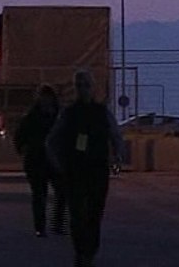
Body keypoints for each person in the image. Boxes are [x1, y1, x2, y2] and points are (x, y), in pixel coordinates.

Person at [46, 70, 123, 267]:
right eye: (79, 85)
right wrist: (59, 164)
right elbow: (52, 141)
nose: (83, 89)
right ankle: (82, 252)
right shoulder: (69, 113)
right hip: (76, 170)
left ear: (92, 87)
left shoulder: (101, 112)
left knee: (94, 214)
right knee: (78, 215)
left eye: (86, 85)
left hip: (97, 169)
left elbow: (115, 135)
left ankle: (89, 252)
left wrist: (117, 157)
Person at [15, 84, 66, 237]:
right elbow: (19, 136)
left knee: (60, 192)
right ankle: (42, 227)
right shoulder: (35, 117)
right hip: (37, 159)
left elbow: (19, 137)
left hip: (52, 159)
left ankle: (54, 224)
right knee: (40, 194)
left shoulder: (57, 116)